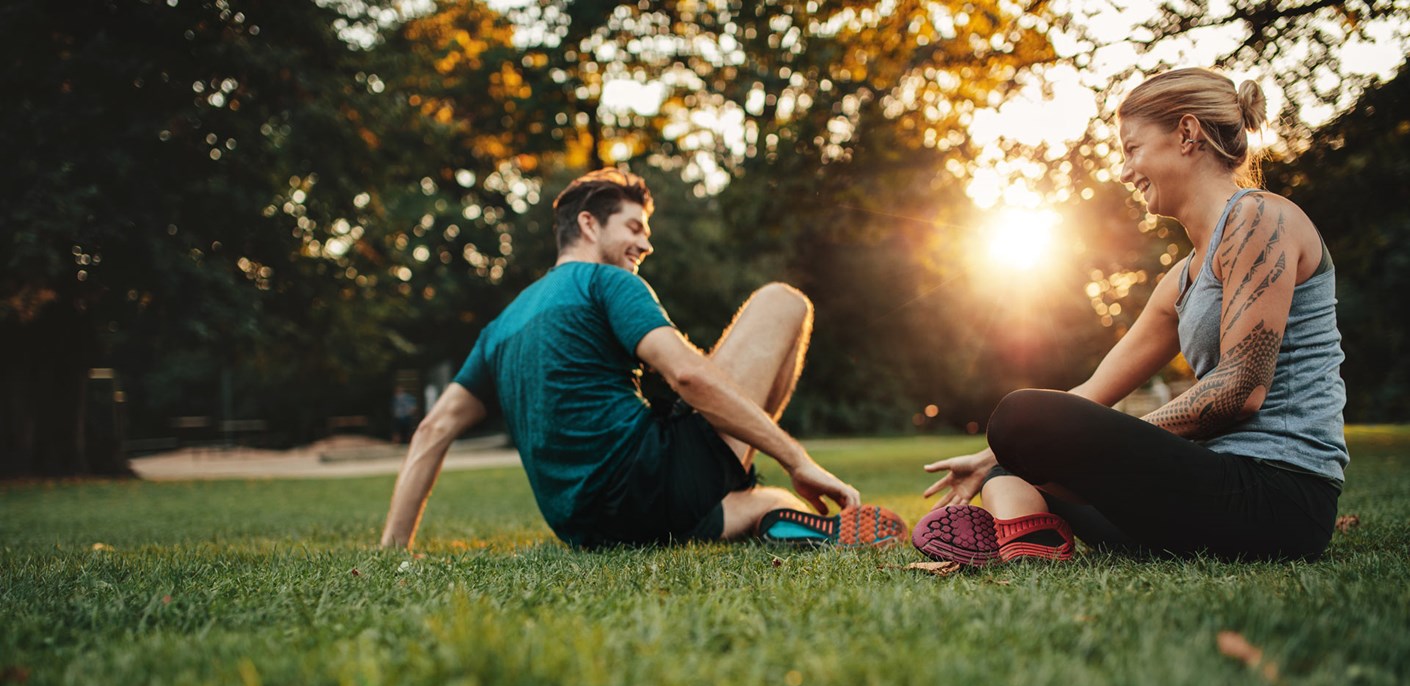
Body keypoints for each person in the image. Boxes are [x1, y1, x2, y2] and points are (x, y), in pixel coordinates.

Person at [914, 67, 1348, 565]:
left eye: (1131, 148)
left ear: (1187, 134)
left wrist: (1102, 451)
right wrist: (995, 457)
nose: (1124, 171)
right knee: (1007, 462)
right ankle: (1028, 537)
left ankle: (1019, 522)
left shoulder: (1259, 218)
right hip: (1203, 501)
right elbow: (1089, 396)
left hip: (1277, 499)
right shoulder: (1181, 279)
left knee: (1023, 416)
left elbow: (1240, 390)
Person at [381, 168, 905, 550]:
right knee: (783, 302)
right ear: (589, 225)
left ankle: (756, 507)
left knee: (759, 501)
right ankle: (746, 488)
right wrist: (799, 459)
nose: (645, 243)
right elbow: (687, 375)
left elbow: (432, 430)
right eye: (633, 227)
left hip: (586, 529)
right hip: (649, 482)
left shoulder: (502, 326)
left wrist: (392, 551)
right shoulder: (604, 282)